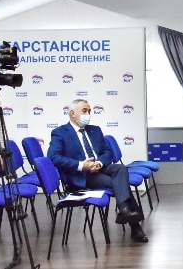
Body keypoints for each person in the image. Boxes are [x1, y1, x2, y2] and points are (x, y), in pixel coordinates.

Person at [47, 99, 149, 242]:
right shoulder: (60, 132)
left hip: (100, 168)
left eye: (89, 111)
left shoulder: (95, 130)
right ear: (72, 113)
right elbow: (53, 157)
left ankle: (124, 210)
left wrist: (99, 163)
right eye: (84, 111)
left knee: (120, 168)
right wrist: (82, 165)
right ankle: (134, 225)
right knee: (119, 184)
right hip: (81, 175)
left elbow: (107, 152)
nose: (88, 114)